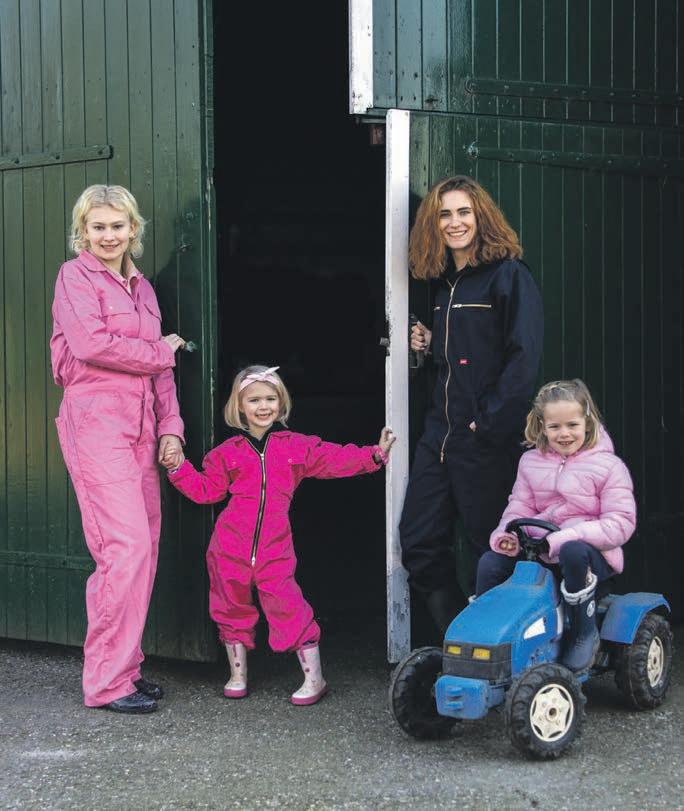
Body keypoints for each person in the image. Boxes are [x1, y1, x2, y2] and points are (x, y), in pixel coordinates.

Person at [163, 365, 395, 705]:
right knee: (229, 606)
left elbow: (333, 458)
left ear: (281, 403)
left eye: (270, 399)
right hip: (228, 547)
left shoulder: (295, 447)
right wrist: (178, 468)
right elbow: (207, 490)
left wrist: (373, 455)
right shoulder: (226, 453)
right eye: (254, 400)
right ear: (239, 406)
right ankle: (237, 675)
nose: (263, 406)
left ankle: (314, 679)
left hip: (275, 548)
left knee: (288, 605)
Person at [51, 185, 186, 714]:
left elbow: (160, 372)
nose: (108, 236)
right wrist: (160, 351)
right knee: (122, 549)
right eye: (98, 227)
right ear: (83, 232)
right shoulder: (74, 278)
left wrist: (171, 427)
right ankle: (106, 683)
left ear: (133, 229)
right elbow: (91, 345)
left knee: (143, 550)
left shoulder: (144, 289)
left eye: (117, 226)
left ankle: (125, 669)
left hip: (143, 427)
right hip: (96, 424)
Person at [399, 175, 544, 635]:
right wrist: (428, 344)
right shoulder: (443, 284)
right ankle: (459, 638)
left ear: (481, 217)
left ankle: (504, 646)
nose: (454, 222)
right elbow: (461, 357)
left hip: (484, 439)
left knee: (495, 548)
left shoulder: (509, 276)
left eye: (464, 212)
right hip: (438, 438)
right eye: (444, 214)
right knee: (419, 542)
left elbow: (523, 360)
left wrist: (487, 424)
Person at [476, 379, 636, 672]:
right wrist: (507, 533)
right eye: (555, 426)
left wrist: (568, 536)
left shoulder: (609, 466)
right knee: (491, 562)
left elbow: (620, 523)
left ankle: (583, 632)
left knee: (573, 551)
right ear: (542, 426)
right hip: (539, 550)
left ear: (587, 422)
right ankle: (486, 634)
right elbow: (519, 505)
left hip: (588, 557)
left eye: (572, 425)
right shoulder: (530, 462)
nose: (564, 434)